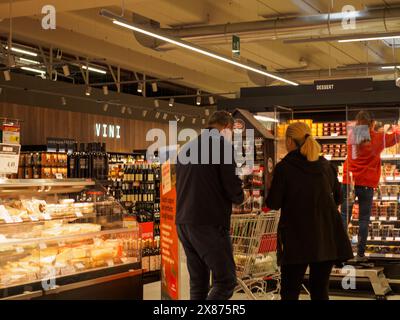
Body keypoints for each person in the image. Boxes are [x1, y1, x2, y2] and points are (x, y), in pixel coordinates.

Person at [266, 122, 353, 300]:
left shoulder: (284, 168)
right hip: (325, 237)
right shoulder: (326, 166)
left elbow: (273, 203)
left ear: (290, 141)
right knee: (320, 290)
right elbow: (338, 198)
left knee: (290, 290)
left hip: (297, 237)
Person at [175, 111, 245, 300]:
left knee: (198, 283)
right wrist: (241, 196)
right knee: (226, 281)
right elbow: (231, 184)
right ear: (226, 128)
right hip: (208, 222)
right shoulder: (222, 146)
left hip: (183, 222)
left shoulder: (186, 148)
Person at [342, 111, 400, 262]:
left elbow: (353, 153)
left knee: (344, 217)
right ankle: (360, 255)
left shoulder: (352, 134)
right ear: (373, 123)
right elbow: (396, 137)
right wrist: (396, 127)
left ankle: (340, 252)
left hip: (349, 180)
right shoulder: (378, 137)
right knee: (363, 219)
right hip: (366, 182)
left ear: (357, 122)